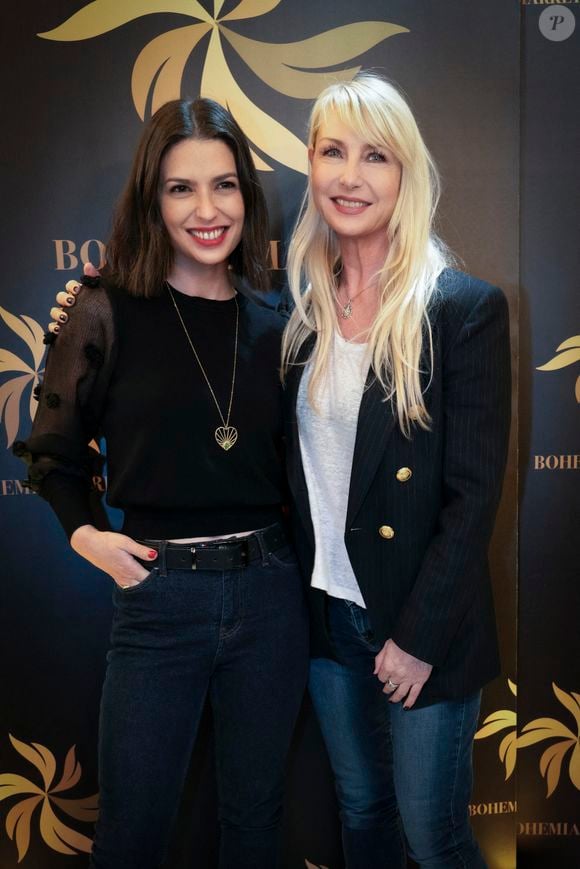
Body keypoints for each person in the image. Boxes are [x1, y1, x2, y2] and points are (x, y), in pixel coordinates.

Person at [16, 98, 308, 869]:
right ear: (152, 198)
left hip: (272, 595)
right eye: (181, 188)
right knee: (133, 835)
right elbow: (54, 449)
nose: (207, 210)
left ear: (247, 193)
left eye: (224, 185)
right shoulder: (102, 309)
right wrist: (85, 534)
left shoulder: (276, 322)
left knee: (255, 824)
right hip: (158, 601)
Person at [280, 73, 511, 867]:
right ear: (309, 164)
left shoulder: (459, 309)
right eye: (333, 152)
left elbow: (473, 495)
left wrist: (415, 638)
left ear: (405, 173)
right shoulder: (297, 309)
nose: (351, 176)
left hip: (422, 624)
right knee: (362, 811)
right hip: (326, 618)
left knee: (433, 836)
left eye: (375, 156)